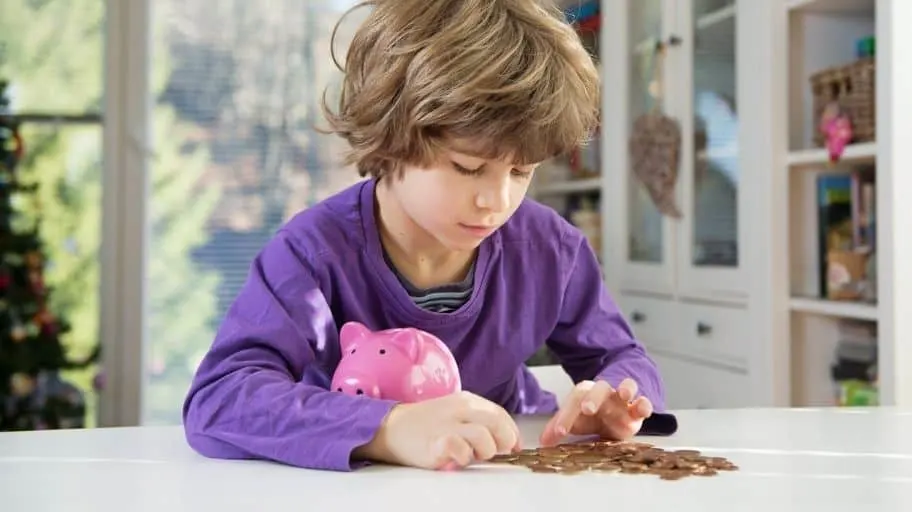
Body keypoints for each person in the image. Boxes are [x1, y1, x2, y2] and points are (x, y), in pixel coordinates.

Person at [182, 0, 671, 473]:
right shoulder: (312, 254)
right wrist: (388, 429)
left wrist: (615, 395)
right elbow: (220, 398)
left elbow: (622, 356)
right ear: (393, 136)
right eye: (467, 167)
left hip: (499, 477)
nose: (495, 201)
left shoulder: (551, 251)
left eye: (522, 171)